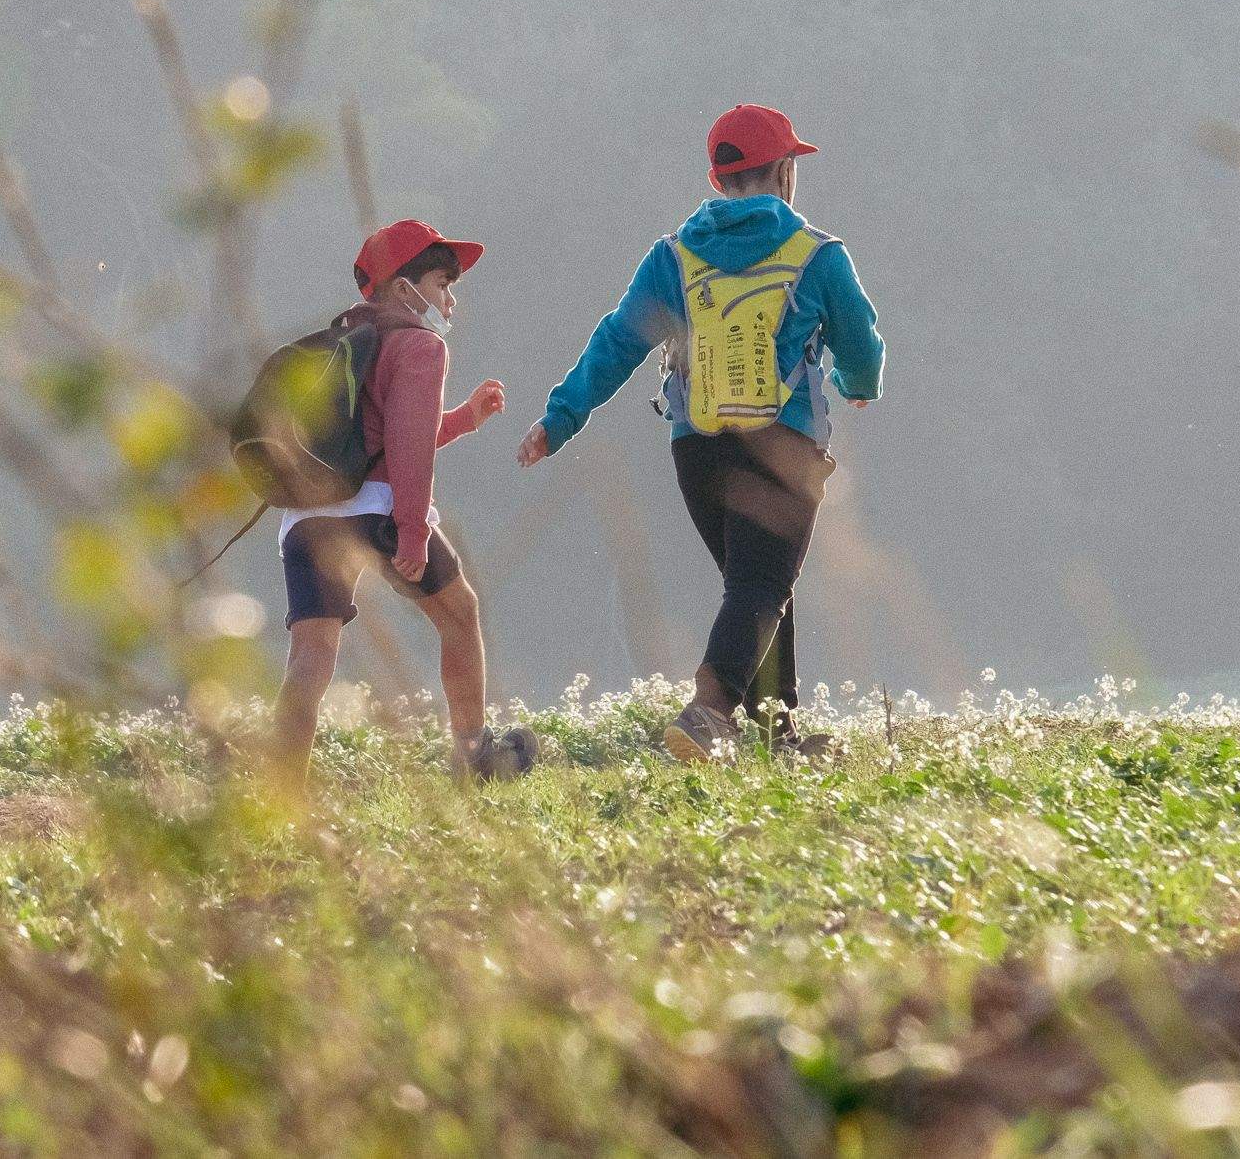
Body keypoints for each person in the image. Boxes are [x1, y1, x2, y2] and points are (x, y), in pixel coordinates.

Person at [518, 104, 885, 762]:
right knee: (760, 586)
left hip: (697, 452)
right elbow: (859, 339)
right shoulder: (818, 255)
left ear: (719, 181)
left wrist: (561, 416)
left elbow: (617, 342)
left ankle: (780, 738)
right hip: (782, 445)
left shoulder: (672, 259)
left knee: (759, 584)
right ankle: (708, 712)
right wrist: (860, 383)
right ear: (783, 172)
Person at [272, 219, 508, 793]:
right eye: (440, 282)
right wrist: (411, 532)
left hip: (305, 518)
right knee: (459, 615)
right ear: (404, 289)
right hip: (380, 511)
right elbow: (405, 449)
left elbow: (390, 432)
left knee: (312, 652)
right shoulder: (418, 345)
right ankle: (471, 756)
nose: (447, 297)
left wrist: (463, 421)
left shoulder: (337, 345)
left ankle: (280, 788)